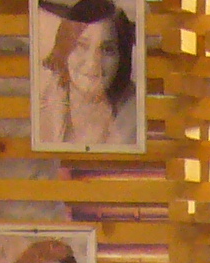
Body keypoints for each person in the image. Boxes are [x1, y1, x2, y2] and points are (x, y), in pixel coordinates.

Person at [35, 0, 141, 152]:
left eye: (107, 50)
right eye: (82, 45)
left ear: (122, 58)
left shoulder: (134, 114)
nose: (93, 63)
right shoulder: (44, 99)